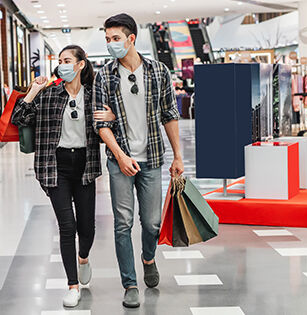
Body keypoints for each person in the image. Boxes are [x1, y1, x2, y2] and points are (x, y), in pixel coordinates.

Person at [11, 45, 115, 308]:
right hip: (55, 166)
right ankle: (72, 285)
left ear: (80, 65)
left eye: (67, 60)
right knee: (67, 227)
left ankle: (83, 258)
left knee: (87, 228)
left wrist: (111, 117)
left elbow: (111, 126)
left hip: (85, 166)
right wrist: (34, 90)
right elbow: (18, 117)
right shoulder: (48, 95)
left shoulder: (93, 96)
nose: (61, 65)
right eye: (59, 61)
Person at [93, 13, 184, 308]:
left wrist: (178, 155)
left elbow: (170, 114)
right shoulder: (104, 76)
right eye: (107, 39)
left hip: (152, 158)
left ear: (131, 39)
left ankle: (148, 258)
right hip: (119, 161)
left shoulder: (158, 72)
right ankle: (129, 284)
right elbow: (99, 123)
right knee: (122, 224)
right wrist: (119, 155)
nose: (111, 44)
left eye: (115, 38)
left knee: (152, 223)